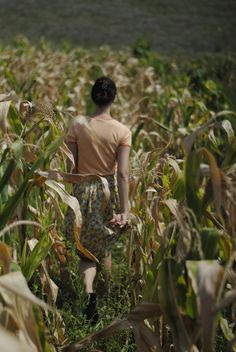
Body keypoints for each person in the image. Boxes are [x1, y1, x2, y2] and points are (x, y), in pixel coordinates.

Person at [64, 76, 131, 322]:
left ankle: (88, 295)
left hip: (82, 191)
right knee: (107, 246)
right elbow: (122, 173)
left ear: (93, 97)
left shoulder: (78, 125)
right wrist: (124, 209)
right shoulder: (122, 131)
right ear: (114, 98)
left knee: (85, 252)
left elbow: (70, 169)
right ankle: (108, 296)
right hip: (107, 191)